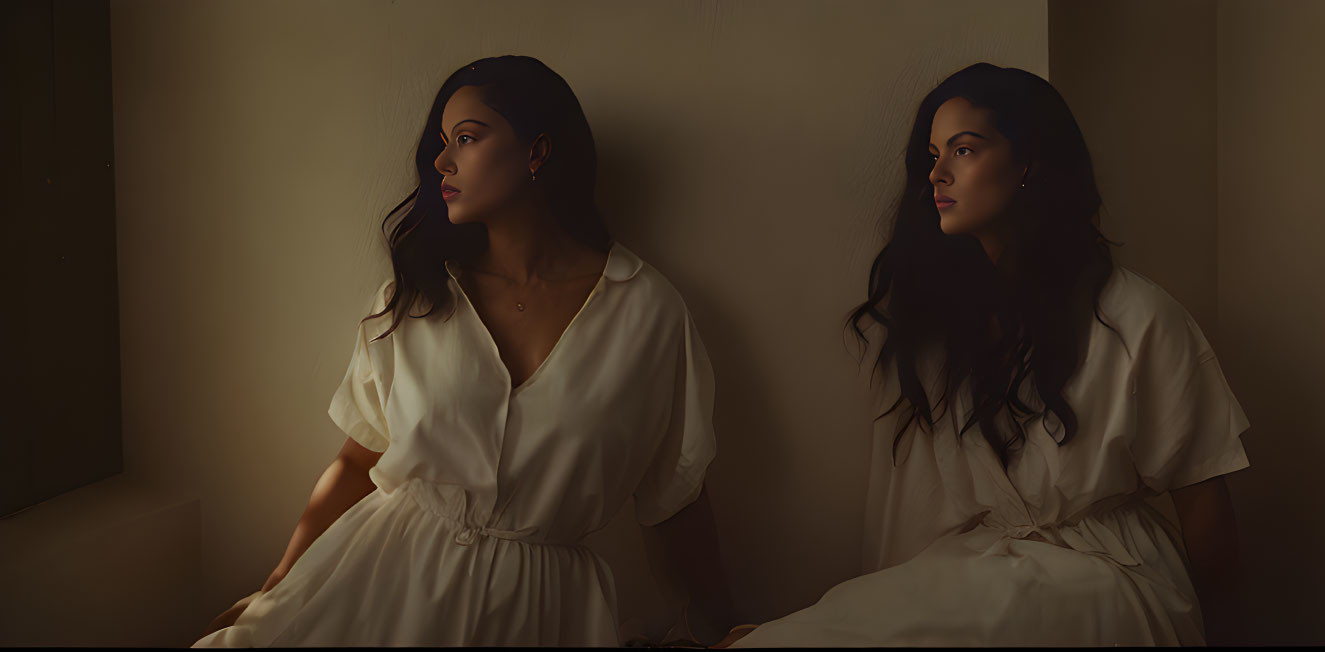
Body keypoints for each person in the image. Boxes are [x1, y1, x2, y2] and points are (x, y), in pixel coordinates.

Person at [194, 55, 735, 647]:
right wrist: (277, 585)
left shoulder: (649, 314)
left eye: (467, 138)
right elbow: (356, 462)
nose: (442, 161)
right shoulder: (415, 301)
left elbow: (676, 497)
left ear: (537, 151)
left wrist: (720, 625)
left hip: (543, 615)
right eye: (442, 142)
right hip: (382, 587)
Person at [720, 63, 1249, 647]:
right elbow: (913, 506)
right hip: (984, 568)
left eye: (964, 150)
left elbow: (1205, 508)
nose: (937, 173)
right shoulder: (945, 326)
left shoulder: (1140, 316)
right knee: (816, 627)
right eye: (932, 153)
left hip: (1106, 579)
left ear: (1027, 163)